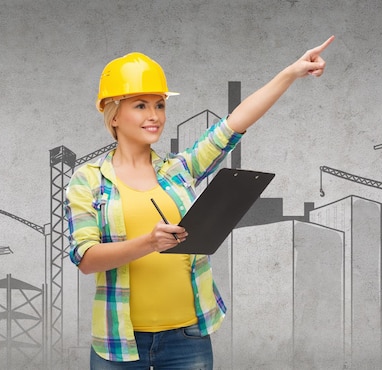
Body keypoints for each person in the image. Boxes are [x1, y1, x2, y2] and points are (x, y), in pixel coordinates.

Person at [66, 35, 334, 369]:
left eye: (160, 105)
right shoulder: (88, 180)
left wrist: (291, 73)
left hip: (187, 339)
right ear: (114, 115)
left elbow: (235, 122)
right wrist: (149, 242)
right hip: (120, 342)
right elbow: (87, 259)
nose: (155, 116)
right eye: (141, 105)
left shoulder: (179, 170)